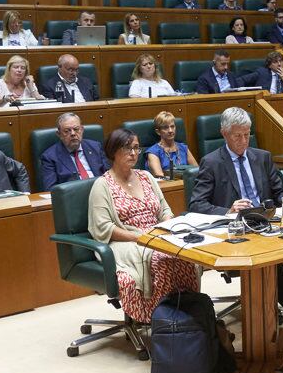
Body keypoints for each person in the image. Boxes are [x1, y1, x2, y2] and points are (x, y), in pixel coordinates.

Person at [188, 106, 283, 335]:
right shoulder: (212, 162)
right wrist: (228, 210)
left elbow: (280, 192)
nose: (243, 141)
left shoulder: (262, 157)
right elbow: (196, 205)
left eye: (246, 134)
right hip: (238, 230)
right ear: (224, 134)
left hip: (269, 223)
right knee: (272, 262)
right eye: (237, 136)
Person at [90, 128, 201, 323]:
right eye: (127, 148)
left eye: (136, 148)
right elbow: (104, 228)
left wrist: (165, 228)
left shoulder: (146, 177)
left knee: (183, 253)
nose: (133, 153)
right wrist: (139, 237)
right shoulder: (102, 185)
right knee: (160, 258)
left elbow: (165, 211)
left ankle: (188, 312)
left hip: (156, 235)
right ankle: (160, 318)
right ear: (113, 151)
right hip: (125, 240)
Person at [39, 112, 106, 188]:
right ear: (59, 134)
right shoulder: (49, 157)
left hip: (100, 192)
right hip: (72, 196)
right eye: (67, 131)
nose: (73, 133)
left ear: (82, 130)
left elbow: (110, 175)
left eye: (76, 129)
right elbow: (51, 189)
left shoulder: (95, 147)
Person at [145, 111, 192, 177]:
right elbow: (160, 176)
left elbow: (196, 171)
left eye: (172, 126)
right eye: (165, 127)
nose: (170, 130)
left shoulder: (183, 148)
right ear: (158, 132)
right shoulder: (153, 152)